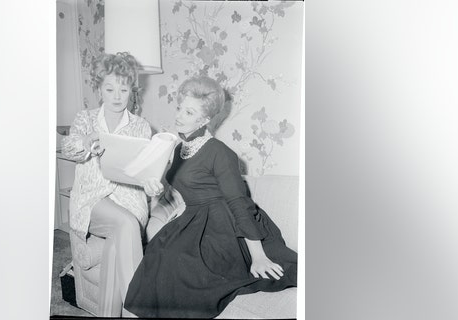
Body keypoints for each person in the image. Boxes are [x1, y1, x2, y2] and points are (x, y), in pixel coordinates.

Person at [125, 76, 298, 318]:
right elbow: (178, 188)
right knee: (159, 251)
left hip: (225, 223)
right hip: (194, 219)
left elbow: (238, 203)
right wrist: (156, 189)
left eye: (189, 112)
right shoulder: (177, 148)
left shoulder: (221, 152)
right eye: (179, 108)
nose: (179, 116)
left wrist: (257, 256)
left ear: (205, 119)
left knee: (179, 262)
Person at [61, 52, 157, 317]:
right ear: (99, 88)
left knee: (118, 245)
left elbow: (144, 171)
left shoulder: (141, 127)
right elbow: (68, 148)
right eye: (110, 88)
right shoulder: (86, 118)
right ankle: (141, 310)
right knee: (124, 224)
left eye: (124, 89)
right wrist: (86, 141)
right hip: (92, 202)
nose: (117, 95)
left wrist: (151, 182)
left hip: (129, 202)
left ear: (132, 90)